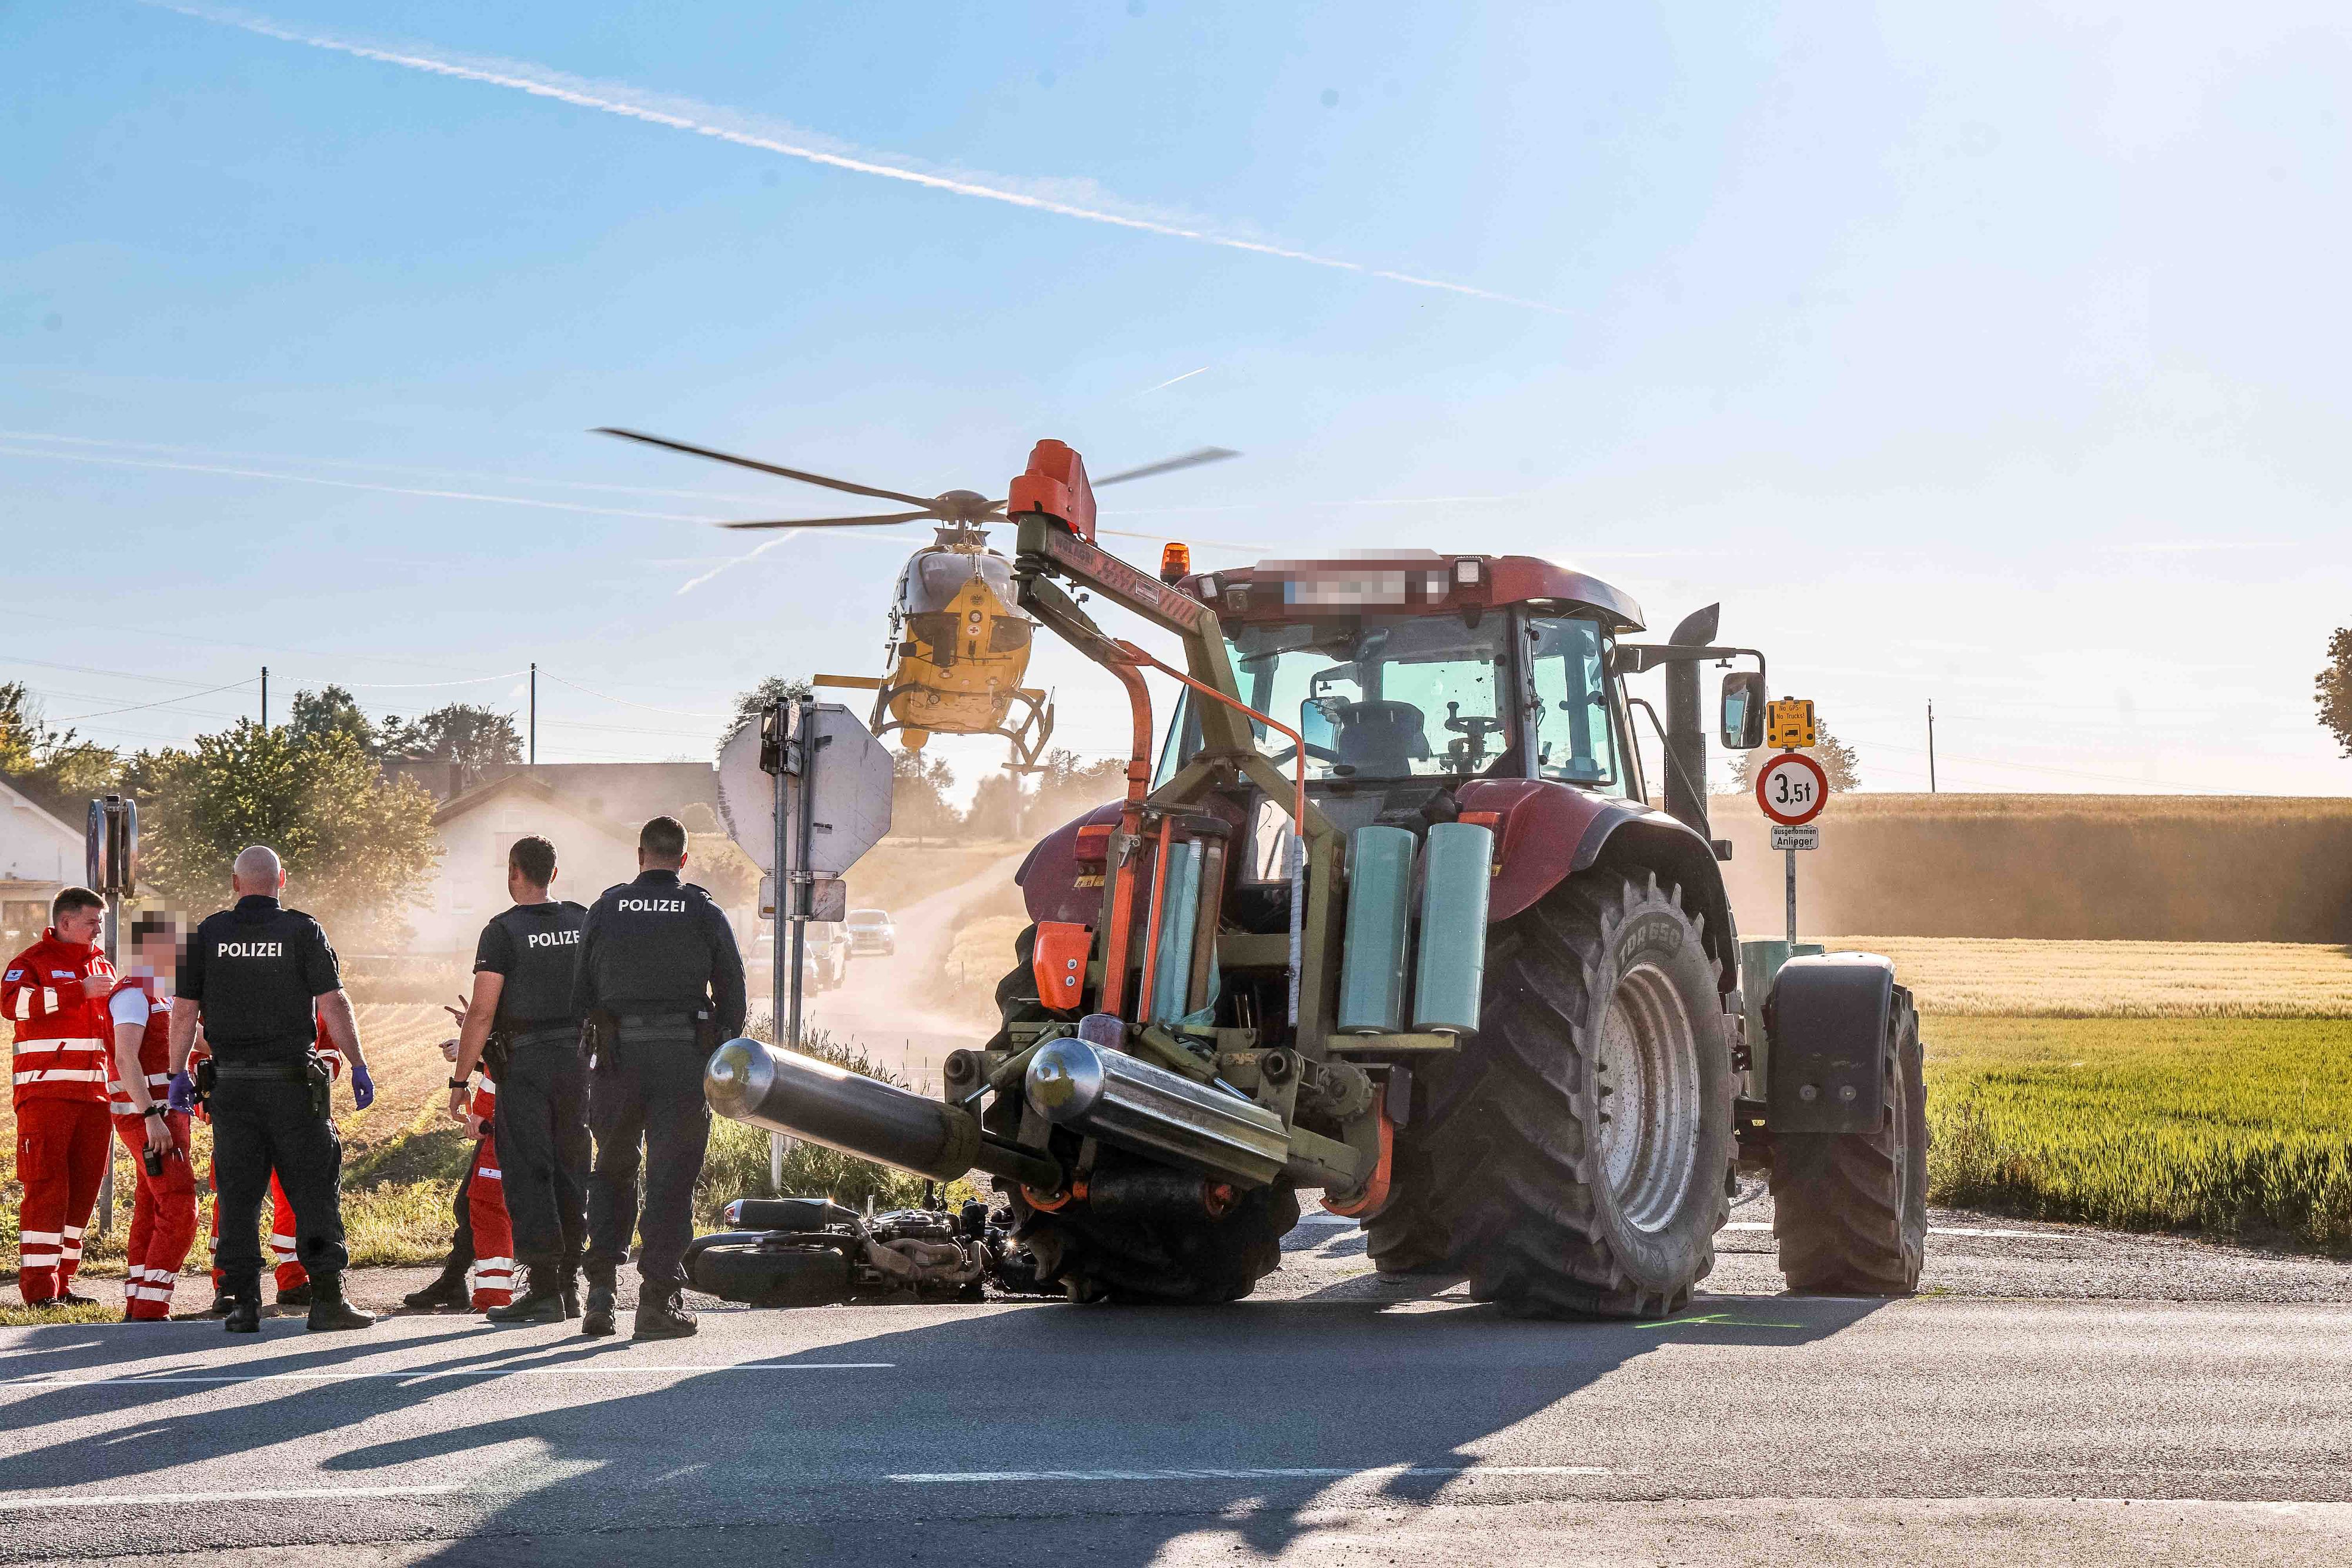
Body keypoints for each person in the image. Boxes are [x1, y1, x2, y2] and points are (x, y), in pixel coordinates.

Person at [169, 845, 377, 1333]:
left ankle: (243, 1305)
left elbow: (183, 1012)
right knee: (313, 1191)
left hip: (232, 1088)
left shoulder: (206, 934)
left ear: (235, 883)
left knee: (238, 1196)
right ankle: (328, 1300)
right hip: (293, 1088)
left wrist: (177, 1072)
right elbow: (334, 1002)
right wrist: (358, 1063)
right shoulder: (303, 930)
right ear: (281, 880)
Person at [574, 815, 745, 1340]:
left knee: (612, 1170)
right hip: (682, 1062)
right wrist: (714, 1049)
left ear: (640, 854)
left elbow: (580, 993)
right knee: (670, 1180)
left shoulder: (605, 908)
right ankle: (656, 1303)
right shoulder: (703, 910)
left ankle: (601, 1295)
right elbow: (734, 996)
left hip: (618, 1060)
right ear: (684, 859)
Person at [450, 835, 588, 1325]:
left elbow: (482, 1012)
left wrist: (460, 1082)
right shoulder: (582, 919)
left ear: (514, 871)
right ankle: (571, 1287)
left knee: (531, 1175)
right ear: (554, 873)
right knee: (572, 1170)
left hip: (526, 1068)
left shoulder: (502, 931)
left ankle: (545, 1289)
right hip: (579, 1064)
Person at [5, 888, 116, 1308]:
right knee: (48, 1189)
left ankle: (63, 1284)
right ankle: (39, 1291)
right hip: (46, 1095)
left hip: (96, 1098)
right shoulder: (31, 962)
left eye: (100, 922)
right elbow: (11, 1005)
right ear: (66, 922)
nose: (99, 929)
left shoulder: (101, 965)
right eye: (92, 921)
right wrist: (77, 991)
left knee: (83, 1193)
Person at [202, 1012, 345, 1313]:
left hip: (298, 1112)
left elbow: (330, 1052)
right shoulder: (225, 990)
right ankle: (230, 1283)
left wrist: (310, 1085)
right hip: (241, 1110)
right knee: (234, 1201)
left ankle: (294, 1279)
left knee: (298, 1200)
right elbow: (199, 1037)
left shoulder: (314, 997)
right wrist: (207, 1090)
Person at [105, 914, 199, 1321]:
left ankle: (140, 1302)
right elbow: (125, 1058)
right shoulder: (132, 995)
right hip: (150, 1117)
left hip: (164, 1114)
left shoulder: (162, 995)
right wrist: (150, 1117)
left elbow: (198, 1039)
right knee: (179, 1206)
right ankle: (152, 1304)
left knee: (151, 1204)